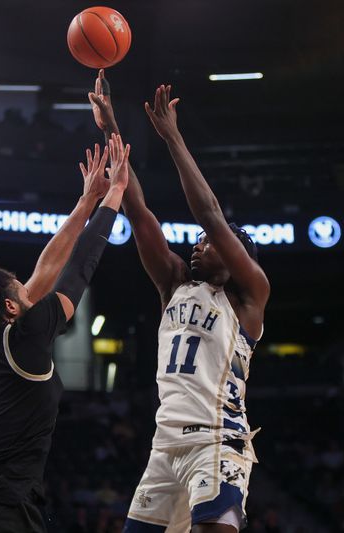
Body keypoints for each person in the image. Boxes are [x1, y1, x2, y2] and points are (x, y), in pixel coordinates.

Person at [90, 71, 270, 532]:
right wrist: (111, 126)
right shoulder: (174, 284)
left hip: (217, 441)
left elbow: (209, 211)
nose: (197, 243)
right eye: (198, 241)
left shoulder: (249, 294)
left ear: (236, 256)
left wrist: (172, 137)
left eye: (209, 243)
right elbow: (139, 212)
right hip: (164, 445)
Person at [0, 134, 131, 533]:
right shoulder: (23, 337)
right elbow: (79, 266)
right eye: (20, 288)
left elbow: (45, 271)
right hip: (2, 513)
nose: (30, 286)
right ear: (12, 307)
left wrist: (85, 203)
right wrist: (115, 193)